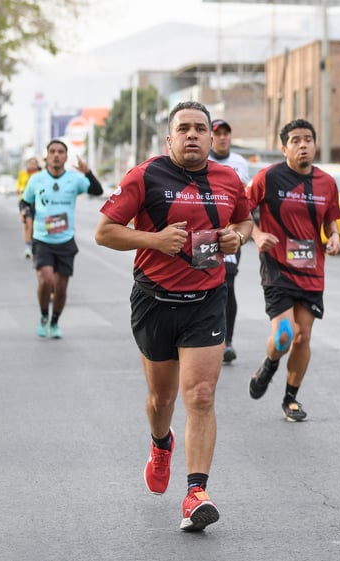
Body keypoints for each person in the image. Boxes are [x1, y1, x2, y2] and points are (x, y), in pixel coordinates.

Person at [94, 101, 253, 532]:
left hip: (206, 299)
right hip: (154, 301)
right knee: (161, 400)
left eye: (200, 128)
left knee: (200, 395)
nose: (193, 135)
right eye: (183, 128)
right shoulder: (144, 176)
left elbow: (244, 219)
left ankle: (195, 493)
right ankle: (160, 444)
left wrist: (237, 237)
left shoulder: (228, 178)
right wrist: (156, 239)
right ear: (169, 139)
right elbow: (104, 231)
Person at [247, 118, 340, 422]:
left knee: (303, 337)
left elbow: (330, 220)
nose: (303, 145)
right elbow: (242, 210)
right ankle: (270, 364)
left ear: (315, 144)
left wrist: (335, 236)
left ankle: (291, 398)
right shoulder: (269, 177)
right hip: (277, 266)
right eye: (296, 140)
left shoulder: (327, 182)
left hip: (311, 268)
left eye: (308, 140)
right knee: (286, 334)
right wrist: (258, 235)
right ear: (284, 147)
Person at [21, 140, 103, 339]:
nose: (56, 155)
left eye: (60, 152)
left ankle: (55, 321)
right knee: (46, 279)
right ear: (47, 156)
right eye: (52, 151)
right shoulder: (36, 180)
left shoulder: (74, 180)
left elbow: (97, 191)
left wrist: (88, 172)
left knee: (61, 286)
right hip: (42, 239)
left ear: (66, 157)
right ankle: (43, 316)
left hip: (65, 240)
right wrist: (24, 211)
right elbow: (25, 201)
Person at [208, 118, 251, 364]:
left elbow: (241, 200)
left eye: (226, 133)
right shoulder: (203, 160)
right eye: (218, 133)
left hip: (230, 233)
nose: (223, 137)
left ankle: (227, 341)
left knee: (227, 285)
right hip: (204, 234)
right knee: (205, 283)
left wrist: (240, 233)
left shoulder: (239, 163)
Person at [17, 157, 41, 258]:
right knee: (28, 224)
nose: (32, 165)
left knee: (36, 225)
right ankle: (27, 246)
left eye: (34, 164)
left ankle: (35, 244)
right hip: (25, 201)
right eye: (30, 163)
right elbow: (18, 185)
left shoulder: (40, 174)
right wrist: (19, 189)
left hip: (37, 201)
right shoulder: (23, 173)